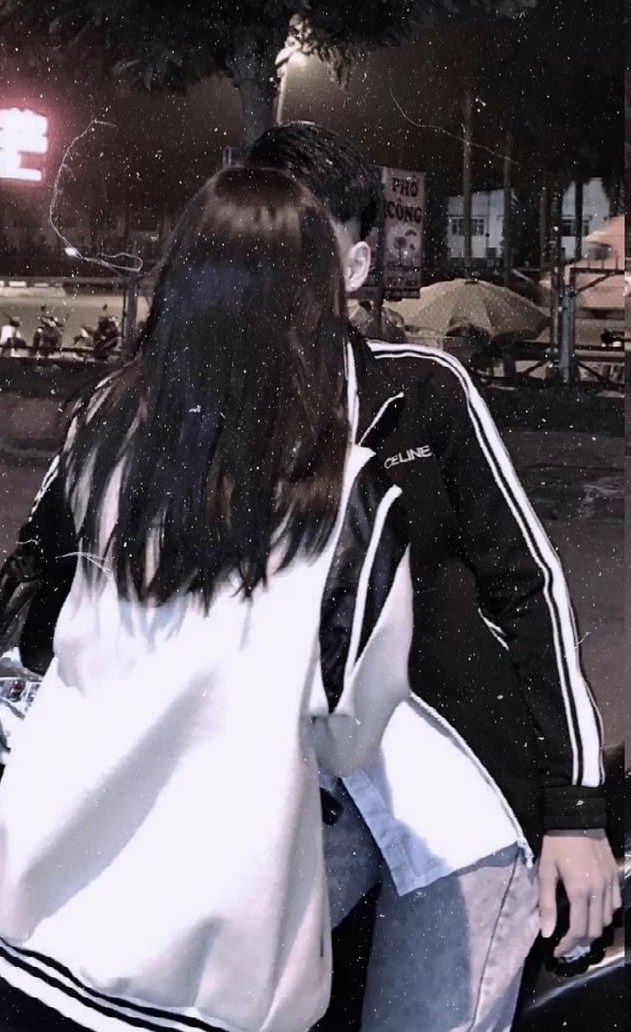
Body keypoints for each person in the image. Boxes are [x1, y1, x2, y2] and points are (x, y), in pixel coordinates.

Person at [0, 166, 414, 1032]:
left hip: (30, 931)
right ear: (315, 304)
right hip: (202, 982)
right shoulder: (350, 500)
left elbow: (36, 610)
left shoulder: (100, 426)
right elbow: (350, 735)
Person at [245, 122, 620, 1032]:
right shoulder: (181, 411)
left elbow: (531, 590)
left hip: (456, 793)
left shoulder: (423, 392)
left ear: (357, 265)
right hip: (289, 791)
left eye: (309, 247)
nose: (278, 273)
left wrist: (577, 813)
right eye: (259, 241)